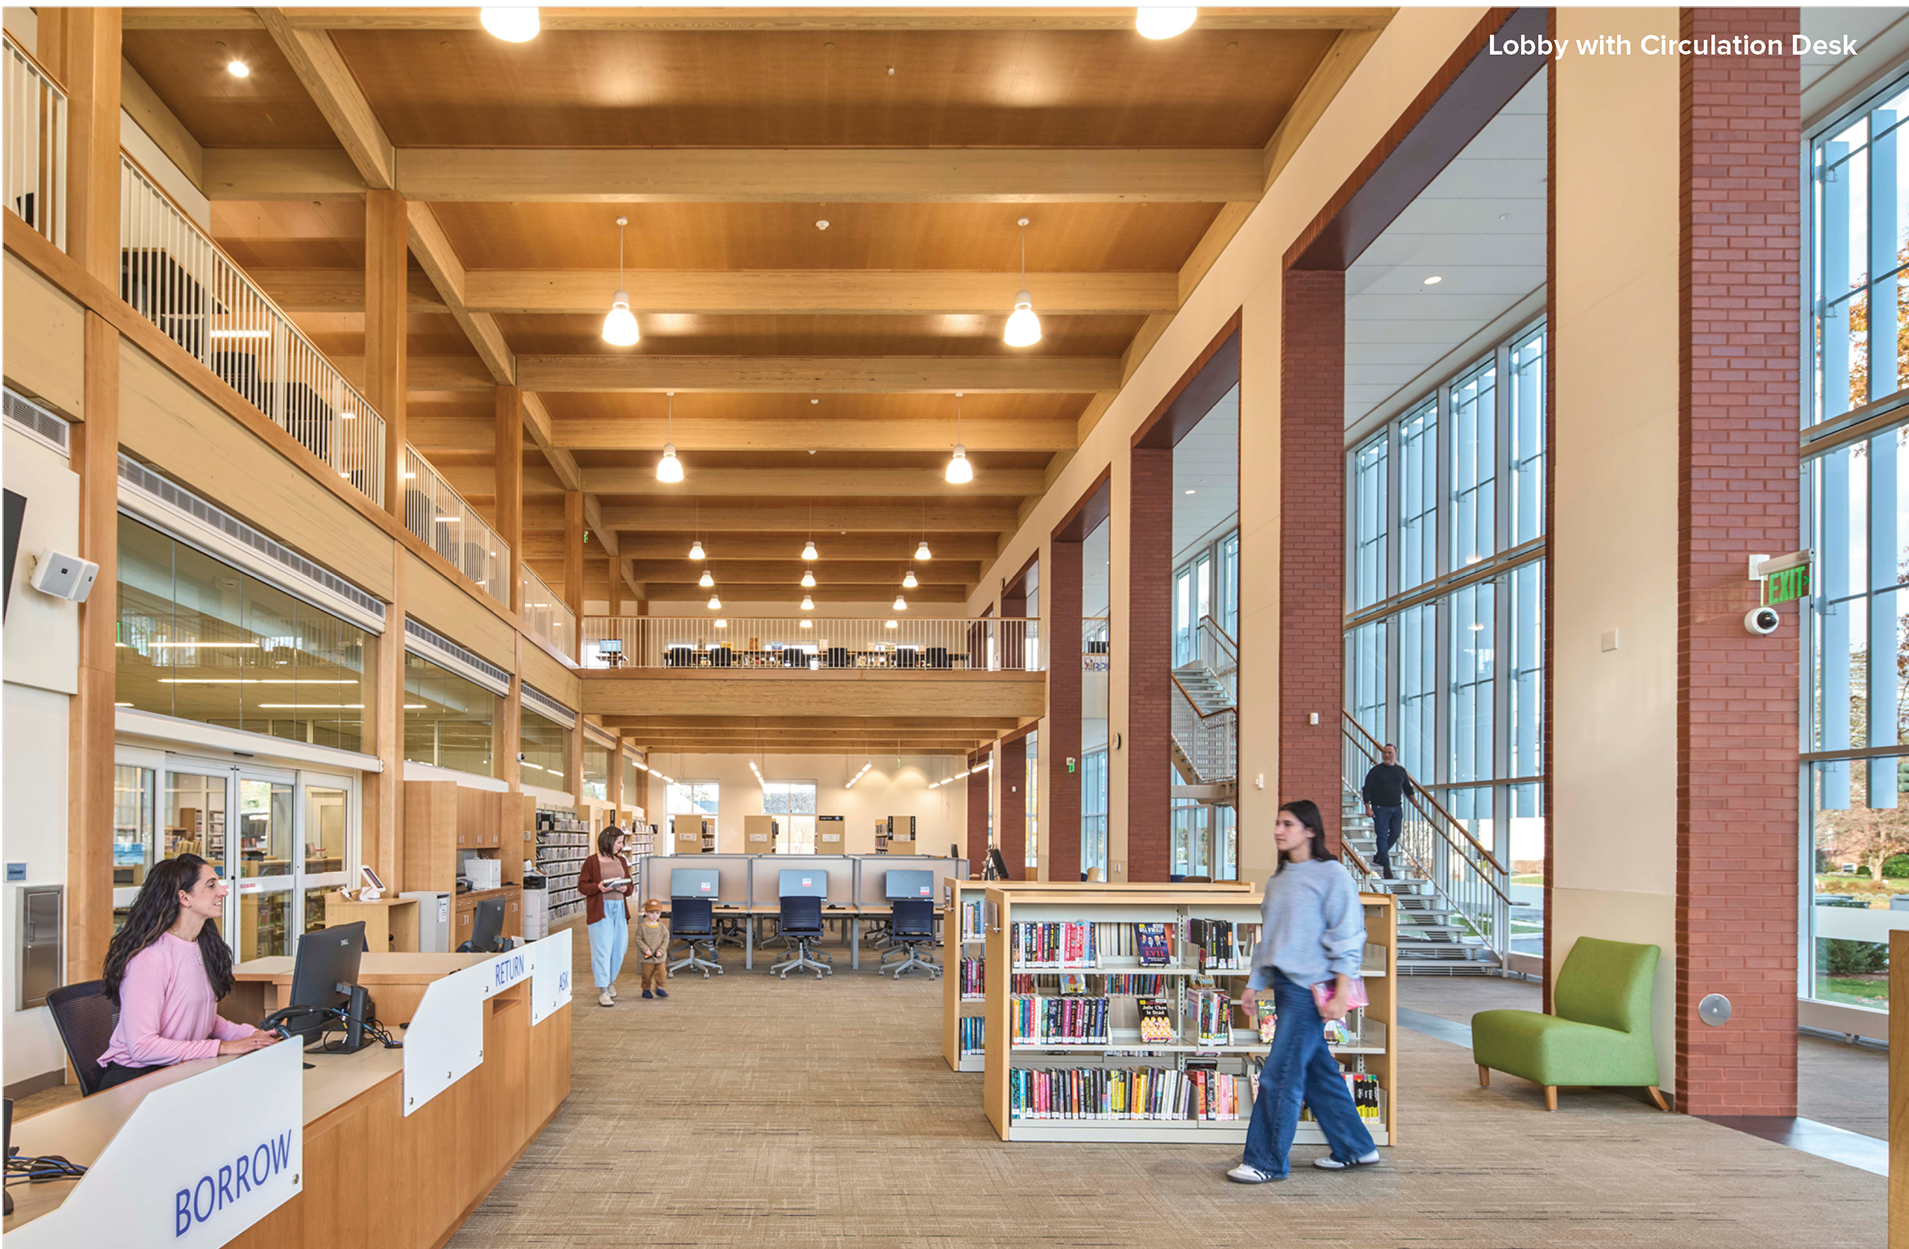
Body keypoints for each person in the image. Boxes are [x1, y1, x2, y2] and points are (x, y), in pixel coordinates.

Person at [1228, 799, 1378, 1184]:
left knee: (1279, 1075)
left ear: (1310, 830)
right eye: (1277, 823)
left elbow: (1348, 936)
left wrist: (1341, 991)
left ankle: (1265, 1162)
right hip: (1285, 987)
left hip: (1312, 992)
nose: (1278, 830)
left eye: (1288, 824)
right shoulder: (1278, 879)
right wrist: (1255, 984)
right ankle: (1356, 1146)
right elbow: (1270, 939)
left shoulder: (1332, 875)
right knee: (1317, 1073)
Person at [97, 854, 278, 1090]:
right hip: (137, 1079)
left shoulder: (200, 945)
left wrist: (253, 1035)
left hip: (179, 1069)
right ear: (184, 897)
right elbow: (142, 1047)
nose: (223, 892)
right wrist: (222, 1047)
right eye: (211, 885)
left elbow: (197, 1016)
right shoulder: (150, 958)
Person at [578, 827, 634, 1007]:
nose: (621, 846)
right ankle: (603, 990)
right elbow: (582, 886)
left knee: (619, 947)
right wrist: (598, 887)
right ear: (608, 841)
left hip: (619, 909)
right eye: (619, 842)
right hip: (600, 910)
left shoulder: (621, 860)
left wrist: (626, 889)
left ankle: (610, 981)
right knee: (602, 949)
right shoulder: (592, 861)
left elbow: (630, 886)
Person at [1361, 744, 1414, 879]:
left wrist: (1414, 801)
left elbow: (1407, 788)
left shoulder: (1400, 771)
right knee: (1382, 835)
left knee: (1395, 834)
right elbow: (1367, 789)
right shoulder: (1376, 771)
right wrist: (1367, 807)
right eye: (1384, 752)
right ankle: (1386, 866)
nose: (1386, 755)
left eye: (1389, 753)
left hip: (1396, 808)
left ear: (1396, 755)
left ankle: (1380, 855)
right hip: (1380, 808)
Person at [634, 897, 671, 999]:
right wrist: (646, 949)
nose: (654, 915)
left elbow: (666, 939)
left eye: (657, 913)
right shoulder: (642, 927)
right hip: (647, 957)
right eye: (651, 913)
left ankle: (659, 987)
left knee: (661, 973)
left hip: (660, 957)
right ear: (646, 913)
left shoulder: (662, 927)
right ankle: (646, 989)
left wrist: (661, 950)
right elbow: (638, 939)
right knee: (646, 975)